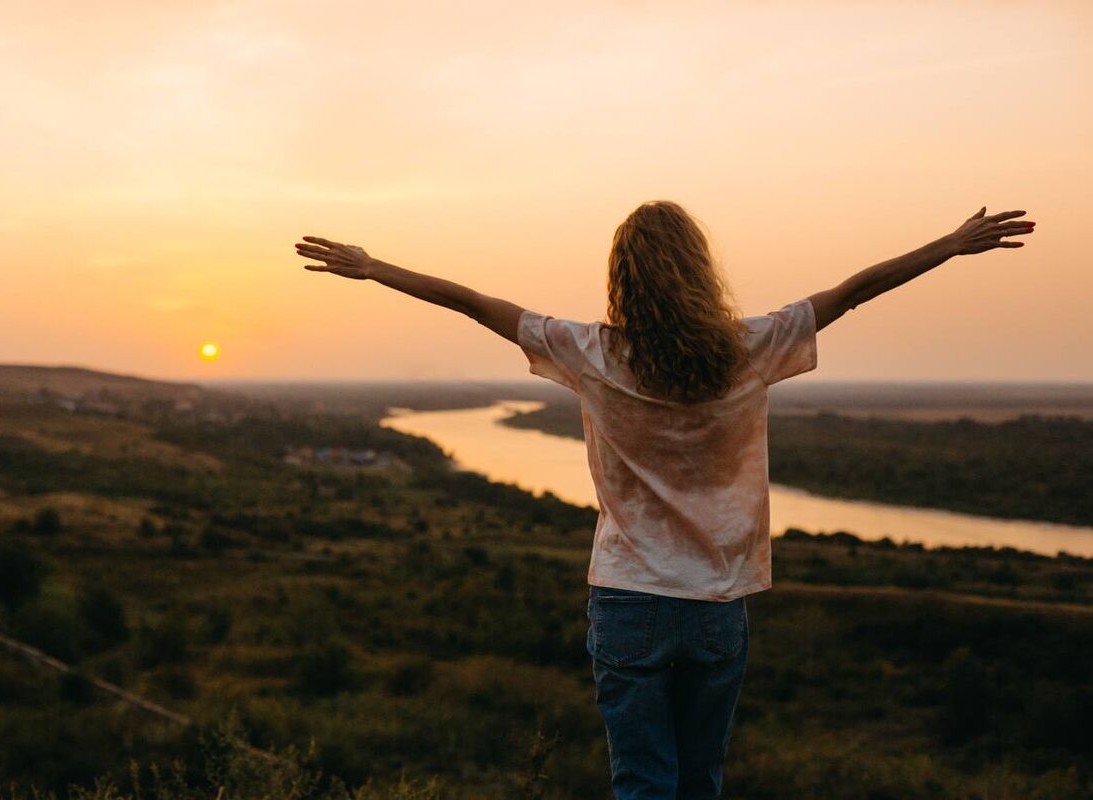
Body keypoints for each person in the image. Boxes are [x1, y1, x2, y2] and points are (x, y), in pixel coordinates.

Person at [296, 201, 1034, 799]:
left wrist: (372, 269)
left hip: (627, 599)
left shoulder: (589, 351)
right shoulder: (752, 347)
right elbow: (855, 291)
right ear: (697, 271)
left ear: (623, 277)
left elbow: (472, 303)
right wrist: (950, 243)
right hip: (717, 602)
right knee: (698, 781)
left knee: (642, 784)